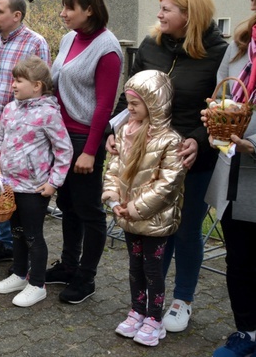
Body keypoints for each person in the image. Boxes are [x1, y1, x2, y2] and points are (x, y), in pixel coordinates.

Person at [108, 0, 227, 330]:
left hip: (192, 158)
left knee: (186, 229)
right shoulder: (151, 45)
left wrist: (200, 140)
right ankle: (147, 303)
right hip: (146, 156)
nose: (158, 14)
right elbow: (130, 93)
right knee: (153, 231)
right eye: (160, 8)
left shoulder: (217, 53)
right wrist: (113, 133)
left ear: (190, 15)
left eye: (167, 9)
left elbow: (223, 108)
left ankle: (182, 300)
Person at [47, 0, 123, 303]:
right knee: (67, 206)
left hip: (83, 139)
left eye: (69, 8)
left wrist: (90, 151)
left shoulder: (108, 48)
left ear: (89, 9)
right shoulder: (68, 38)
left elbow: (105, 106)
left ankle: (86, 278)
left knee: (89, 210)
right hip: (61, 137)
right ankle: (68, 265)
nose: (63, 13)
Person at [102, 70, 186, 347]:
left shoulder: (170, 140)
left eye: (135, 104)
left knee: (153, 269)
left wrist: (136, 208)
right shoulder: (125, 131)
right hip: (128, 215)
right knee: (134, 267)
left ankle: (154, 319)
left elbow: (168, 183)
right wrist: (114, 198)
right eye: (128, 102)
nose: (130, 108)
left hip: (154, 219)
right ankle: (137, 310)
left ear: (155, 103)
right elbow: (114, 168)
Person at [0, 0, 51, 267]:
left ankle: (24, 249)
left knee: (18, 195)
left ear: (16, 15)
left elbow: (41, 93)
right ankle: (6, 243)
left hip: (20, 137)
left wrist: (1, 124)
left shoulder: (35, 44)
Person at [0, 56, 73, 307]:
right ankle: (19, 273)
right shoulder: (10, 109)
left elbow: (64, 150)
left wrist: (54, 182)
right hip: (9, 185)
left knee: (33, 235)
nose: (13, 84)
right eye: (13, 79)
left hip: (35, 189)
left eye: (19, 80)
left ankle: (37, 284)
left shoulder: (48, 114)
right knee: (17, 232)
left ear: (37, 86)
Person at [206, 0, 256, 357]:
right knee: (239, 256)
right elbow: (222, 93)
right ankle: (247, 332)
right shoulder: (240, 46)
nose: (252, 6)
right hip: (236, 171)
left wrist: (253, 142)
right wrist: (216, 117)